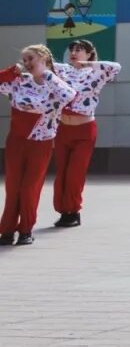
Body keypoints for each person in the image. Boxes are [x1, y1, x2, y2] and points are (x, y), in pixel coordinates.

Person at [0, 45, 78, 246]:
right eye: (24, 60)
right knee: (13, 187)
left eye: (30, 58)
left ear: (43, 58)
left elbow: (71, 96)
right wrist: (10, 72)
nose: (27, 63)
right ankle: (7, 231)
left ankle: (26, 229)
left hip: (40, 143)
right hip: (16, 141)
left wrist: (47, 75)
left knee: (29, 188)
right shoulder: (19, 81)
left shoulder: (55, 84)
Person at [52, 39, 121, 228]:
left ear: (89, 53)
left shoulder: (96, 72)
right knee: (62, 173)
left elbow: (116, 67)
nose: (74, 52)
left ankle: (73, 211)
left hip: (84, 130)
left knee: (75, 173)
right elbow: (41, 64)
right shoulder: (62, 70)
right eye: (72, 49)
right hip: (62, 128)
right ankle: (63, 211)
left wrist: (87, 64)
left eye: (80, 50)